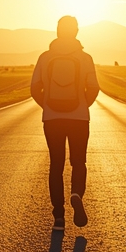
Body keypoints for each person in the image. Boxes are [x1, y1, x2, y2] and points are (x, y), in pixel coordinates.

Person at [30, 15, 100, 231]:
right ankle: (76, 193)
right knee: (78, 162)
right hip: (79, 119)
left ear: (57, 31)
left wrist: (48, 106)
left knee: (56, 165)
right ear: (76, 31)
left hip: (53, 119)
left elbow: (34, 88)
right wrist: (81, 105)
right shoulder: (85, 58)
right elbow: (94, 87)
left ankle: (58, 217)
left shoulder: (45, 58)